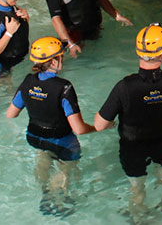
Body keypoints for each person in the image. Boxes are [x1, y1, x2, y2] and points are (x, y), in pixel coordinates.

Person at [94, 24, 162, 220]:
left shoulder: (125, 87)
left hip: (132, 146)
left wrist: (111, 123)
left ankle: (138, 215)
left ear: (137, 52)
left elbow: (99, 125)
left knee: (137, 186)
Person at [6, 37, 96, 215]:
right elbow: (78, 129)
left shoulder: (27, 81)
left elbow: (11, 113)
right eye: (61, 56)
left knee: (44, 157)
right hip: (62, 141)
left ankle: (44, 192)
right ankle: (57, 196)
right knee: (66, 168)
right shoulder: (64, 87)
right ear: (54, 61)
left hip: (34, 137)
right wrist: (97, 127)